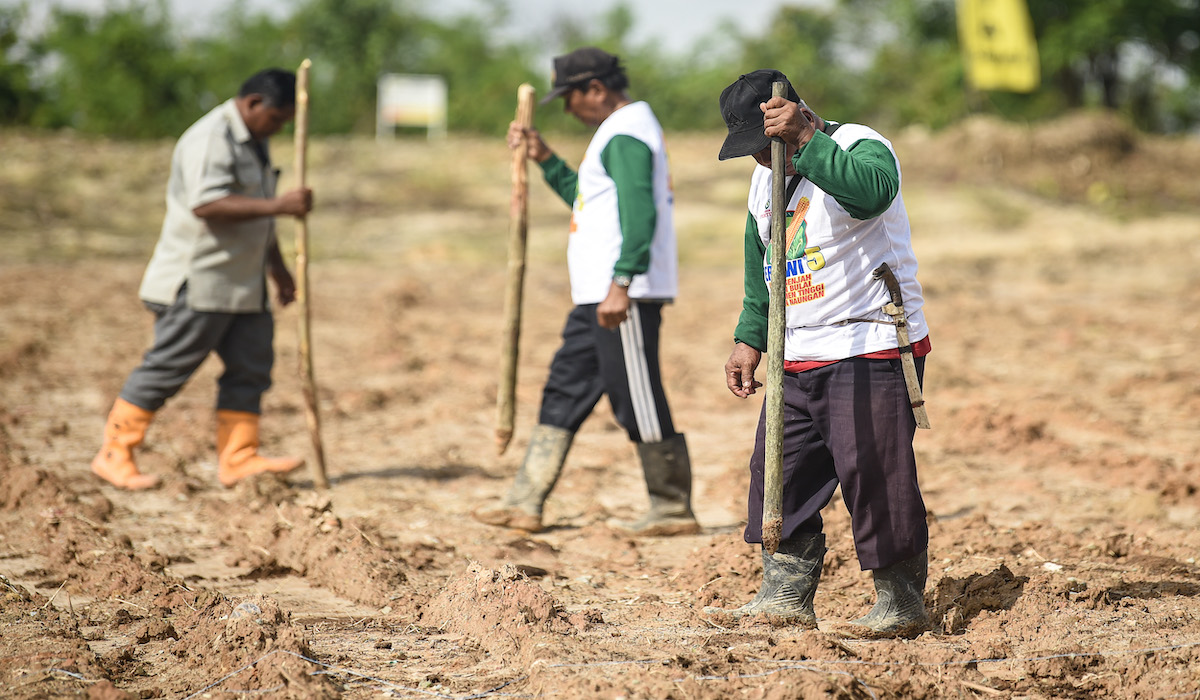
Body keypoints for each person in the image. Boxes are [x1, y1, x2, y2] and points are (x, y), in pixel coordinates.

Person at [705, 69, 932, 638]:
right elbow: (763, 273)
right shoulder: (762, 184)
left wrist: (806, 141)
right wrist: (747, 339)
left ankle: (899, 602)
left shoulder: (859, 145)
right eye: (751, 151)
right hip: (796, 351)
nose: (760, 160)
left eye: (764, 146)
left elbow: (872, 193)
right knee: (780, 473)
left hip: (869, 342)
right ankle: (785, 593)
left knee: (875, 473)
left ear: (795, 114)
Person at [473, 47, 698, 537]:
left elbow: (641, 213)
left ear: (596, 89)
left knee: (634, 394)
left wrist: (623, 281)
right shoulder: (615, 135)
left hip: (622, 295)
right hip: (597, 294)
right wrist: (544, 157)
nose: (568, 109)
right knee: (565, 386)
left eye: (569, 98)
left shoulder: (627, 133)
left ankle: (671, 506)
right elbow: (588, 200)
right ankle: (526, 499)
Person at [90, 68, 313, 490]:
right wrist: (280, 205)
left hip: (244, 285)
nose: (279, 128)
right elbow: (207, 205)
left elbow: (258, 215)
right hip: (200, 281)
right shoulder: (210, 139)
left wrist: (278, 270)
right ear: (252, 104)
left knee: (251, 367)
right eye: (276, 119)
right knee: (167, 367)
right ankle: (114, 453)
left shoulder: (256, 142)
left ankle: (239, 457)